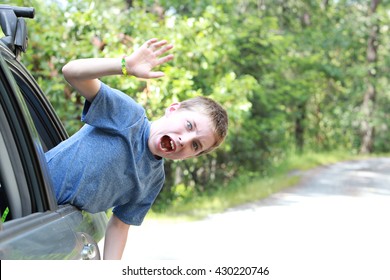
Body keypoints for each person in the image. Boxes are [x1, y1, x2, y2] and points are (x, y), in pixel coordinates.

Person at [45, 38, 229, 259]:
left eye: (195, 145)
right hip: (25, 194)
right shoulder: (129, 116)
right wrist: (124, 65)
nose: (185, 140)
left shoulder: (154, 179)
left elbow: (119, 226)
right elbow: (71, 72)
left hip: (53, 226)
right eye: (189, 125)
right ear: (173, 109)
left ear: (193, 155)